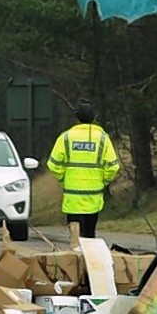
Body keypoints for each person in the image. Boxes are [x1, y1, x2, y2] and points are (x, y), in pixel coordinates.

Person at [46, 99, 120, 241]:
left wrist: (63, 179)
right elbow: (113, 166)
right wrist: (103, 180)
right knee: (89, 236)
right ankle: (89, 261)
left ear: (77, 118)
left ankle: (76, 260)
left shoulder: (66, 137)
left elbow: (53, 164)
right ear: (93, 118)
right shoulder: (103, 139)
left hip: (72, 198)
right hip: (93, 197)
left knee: (75, 238)